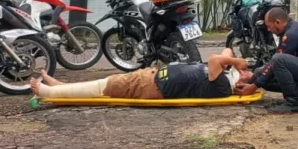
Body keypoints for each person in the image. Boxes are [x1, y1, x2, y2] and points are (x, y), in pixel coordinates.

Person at [30, 49, 251, 100]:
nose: (246, 72)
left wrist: (235, 62)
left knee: (104, 88)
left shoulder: (222, 84)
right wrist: (234, 62)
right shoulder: (223, 76)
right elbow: (226, 52)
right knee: (107, 82)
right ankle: (60, 86)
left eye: (248, 76)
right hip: (153, 77)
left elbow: (216, 59)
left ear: (240, 84)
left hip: (151, 86)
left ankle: (49, 91)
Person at [233, 7, 298, 113]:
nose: (269, 30)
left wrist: (254, 86)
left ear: (277, 22)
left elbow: (277, 60)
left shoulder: (292, 33)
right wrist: (253, 79)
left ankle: (292, 102)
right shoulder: (289, 29)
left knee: (278, 60)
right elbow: (270, 67)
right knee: (259, 73)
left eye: (269, 26)